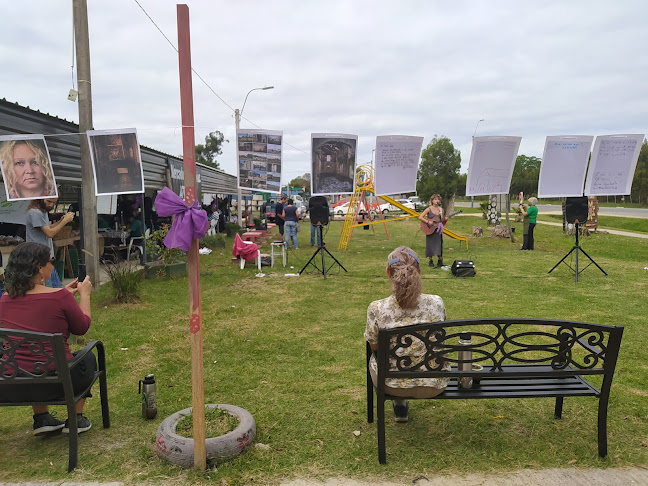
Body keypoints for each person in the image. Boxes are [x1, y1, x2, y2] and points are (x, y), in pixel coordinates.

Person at [0, 242, 94, 435]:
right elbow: (82, 327)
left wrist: (63, 294)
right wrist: (84, 295)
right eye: (51, 260)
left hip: (13, 383)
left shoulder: (5, 299)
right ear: (39, 268)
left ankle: (41, 418)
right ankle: (75, 418)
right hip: (57, 384)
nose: (53, 263)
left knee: (29, 358)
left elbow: (33, 308)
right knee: (88, 357)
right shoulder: (59, 297)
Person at [364, 246, 450, 423]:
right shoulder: (436, 302)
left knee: (375, 359)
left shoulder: (377, 308)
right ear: (419, 271)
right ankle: (401, 406)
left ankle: (400, 403)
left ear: (388, 272)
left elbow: (375, 346)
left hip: (392, 385)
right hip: (434, 384)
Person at [25, 198, 74, 288]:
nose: (51, 205)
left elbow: (48, 227)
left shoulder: (42, 211)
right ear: (40, 199)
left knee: (56, 289)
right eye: (49, 201)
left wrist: (60, 221)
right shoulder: (35, 213)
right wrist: (65, 221)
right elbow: (50, 233)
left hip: (46, 257)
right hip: (38, 258)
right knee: (49, 289)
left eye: (54, 202)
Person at [418, 194, 444, 267]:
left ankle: (440, 259)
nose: (437, 201)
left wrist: (445, 219)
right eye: (435, 199)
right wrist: (428, 222)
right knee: (430, 244)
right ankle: (431, 260)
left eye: (438, 199)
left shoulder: (441, 210)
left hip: (438, 230)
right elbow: (420, 217)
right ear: (432, 200)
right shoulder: (428, 209)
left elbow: (441, 220)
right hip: (430, 229)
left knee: (439, 244)